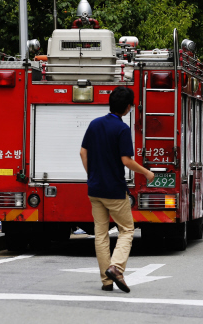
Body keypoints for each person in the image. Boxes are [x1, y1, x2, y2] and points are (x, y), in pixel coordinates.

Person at [79, 86, 154, 293]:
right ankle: (116, 267)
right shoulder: (122, 129)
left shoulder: (94, 124)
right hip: (114, 189)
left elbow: (82, 152)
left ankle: (106, 281)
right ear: (128, 107)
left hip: (94, 189)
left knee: (101, 234)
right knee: (127, 229)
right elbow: (126, 161)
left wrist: (92, 175)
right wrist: (146, 173)